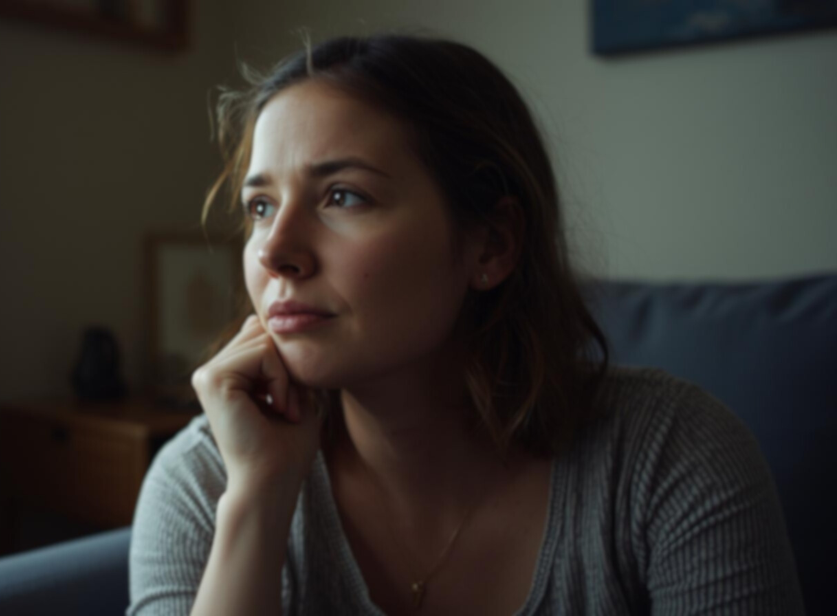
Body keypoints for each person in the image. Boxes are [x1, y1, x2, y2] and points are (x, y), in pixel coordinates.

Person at [127, 34, 803, 615]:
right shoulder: (204, 480)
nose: (275, 251)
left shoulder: (670, 458)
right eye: (261, 207)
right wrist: (257, 502)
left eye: (343, 196)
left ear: (491, 246)